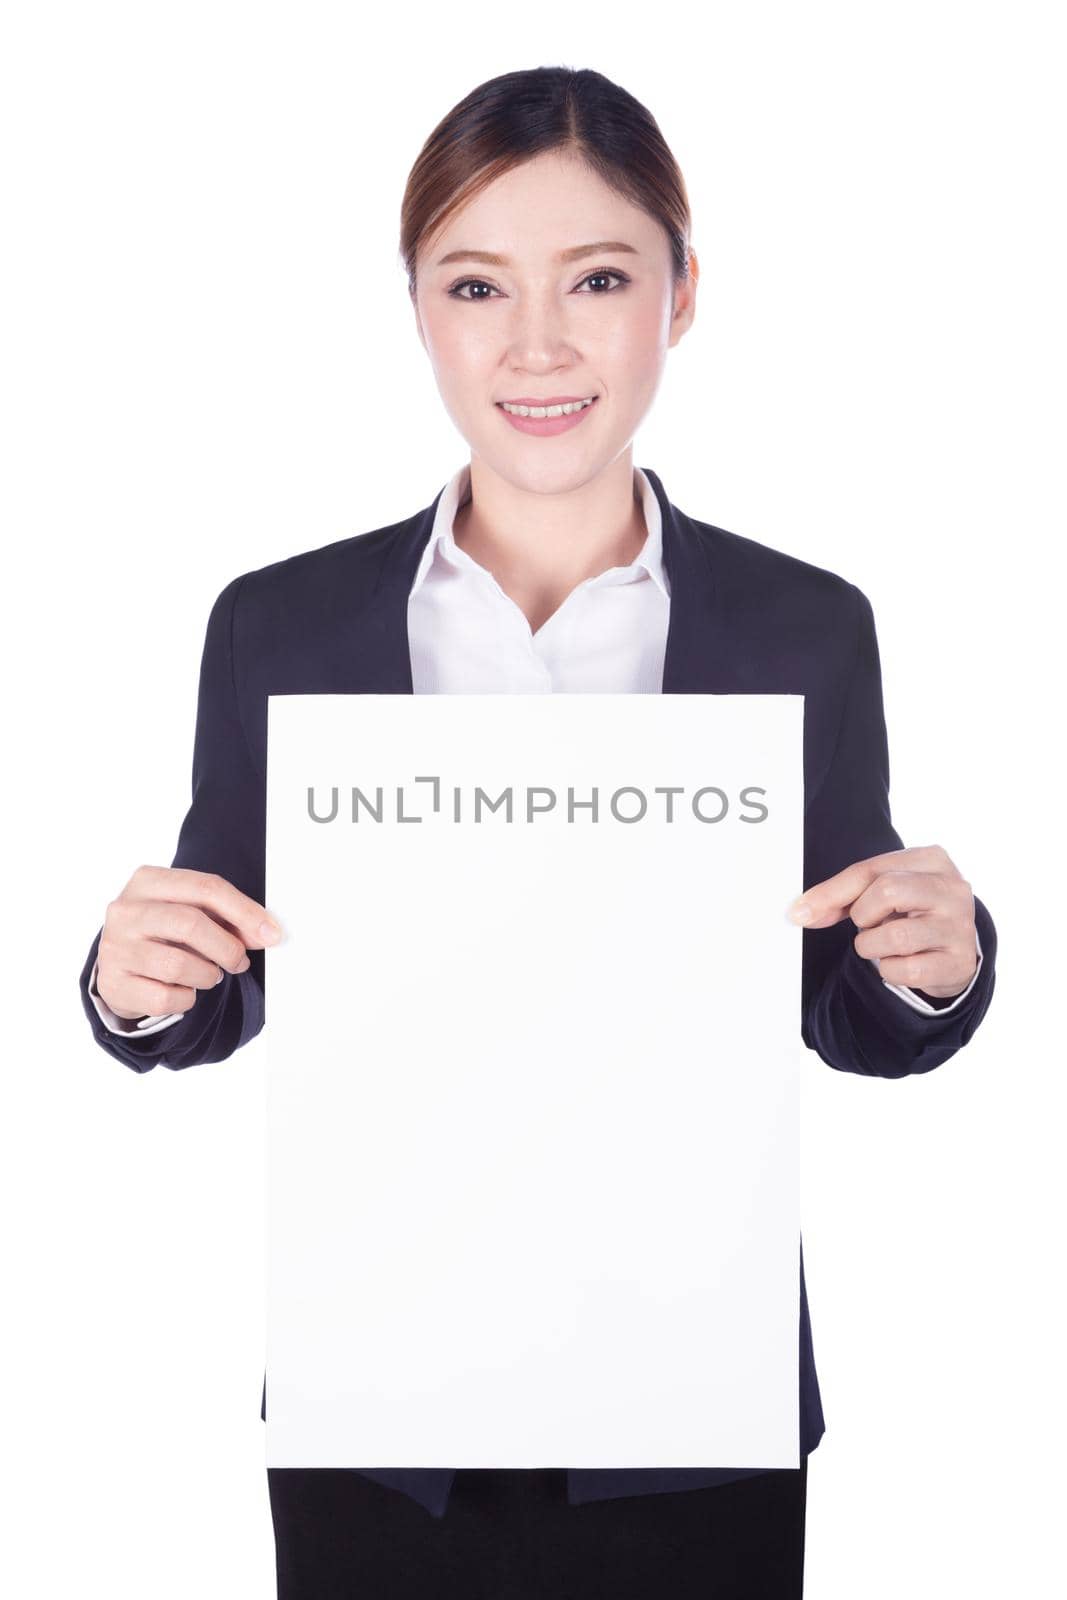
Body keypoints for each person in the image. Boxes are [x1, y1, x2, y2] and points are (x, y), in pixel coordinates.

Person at [79, 63, 997, 1600]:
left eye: (598, 277)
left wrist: (930, 968)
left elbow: (847, 1009)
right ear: (418, 310)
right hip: (382, 1421)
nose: (539, 343)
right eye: (475, 284)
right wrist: (137, 984)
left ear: (683, 297)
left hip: (692, 1413)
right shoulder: (282, 625)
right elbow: (223, 980)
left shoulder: (805, 626)